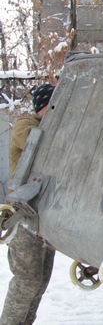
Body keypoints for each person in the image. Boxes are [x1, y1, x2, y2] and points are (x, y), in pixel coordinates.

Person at [1, 83, 56, 325]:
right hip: (22, 215)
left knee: (40, 280)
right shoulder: (26, 124)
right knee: (27, 280)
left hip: (44, 215)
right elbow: (40, 144)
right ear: (43, 106)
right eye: (52, 105)